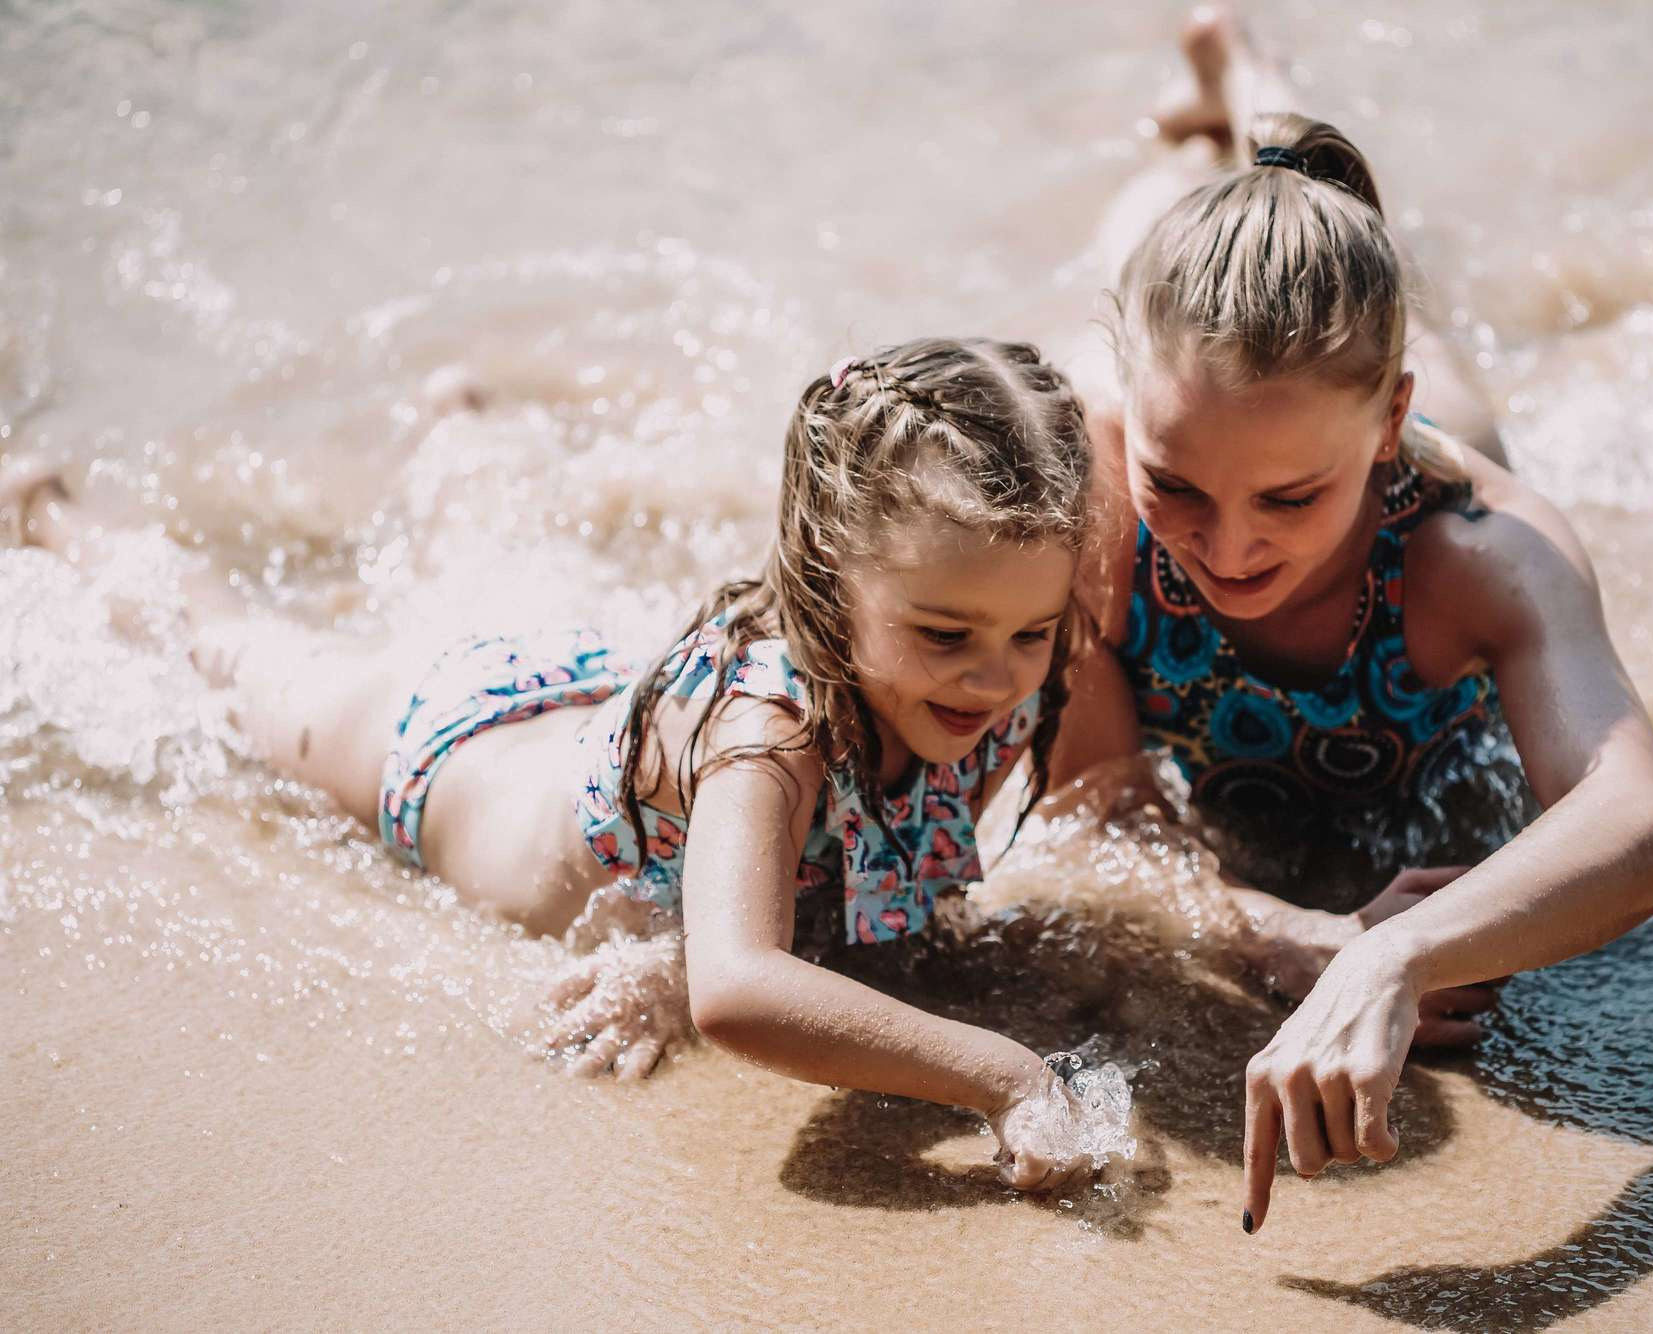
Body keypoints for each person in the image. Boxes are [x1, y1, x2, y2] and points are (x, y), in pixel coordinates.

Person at [3, 336, 1109, 1193]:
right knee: (228, 648)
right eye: (946, 634)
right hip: (434, 750)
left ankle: (456, 424)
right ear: (829, 572)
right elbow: (737, 985)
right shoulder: (766, 732)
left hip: (582, 700)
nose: (992, 677)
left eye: (1027, 632)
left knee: (490, 562)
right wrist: (1002, 1072)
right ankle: (49, 510)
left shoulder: (984, 665)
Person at [1051, 12, 1653, 1231]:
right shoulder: (1088, 509)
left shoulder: (1476, 549)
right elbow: (1091, 810)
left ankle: (1251, 80)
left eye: (1290, 498)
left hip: (1410, 418)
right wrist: (1282, 931)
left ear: (1386, 426)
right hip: (1177, 373)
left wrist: (1389, 953)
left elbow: (1643, 828)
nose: (1228, 547)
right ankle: (1235, 104)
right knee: (1148, 218)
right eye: (1174, 483)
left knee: (1351, 247)